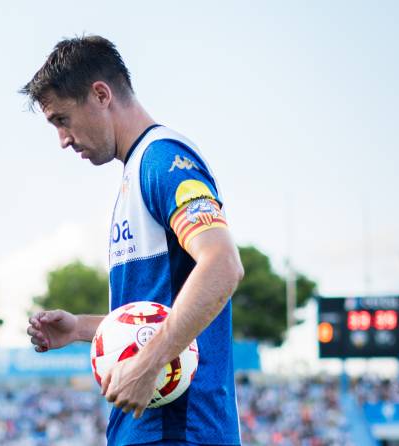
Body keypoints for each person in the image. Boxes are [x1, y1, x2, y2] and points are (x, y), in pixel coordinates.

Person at [23, 36, 245, 446]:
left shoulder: (163, 159)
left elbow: (222, 263)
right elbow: (154, 313)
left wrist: (148, 365)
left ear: (101, 94)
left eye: (61, 119)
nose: (63, 139)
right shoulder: (135, 171)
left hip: (181, 431)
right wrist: (81, 329)